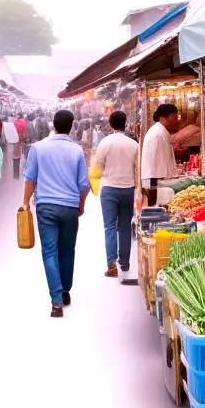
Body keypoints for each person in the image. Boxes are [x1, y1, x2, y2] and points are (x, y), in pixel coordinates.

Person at [22, 109, 90, 318]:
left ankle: (56, 301)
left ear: (53, 124)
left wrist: (25, 202)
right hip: (69, 207)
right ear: (71, 126)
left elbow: (30, 179)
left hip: (46, 207)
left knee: (49, 252)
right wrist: (80, 205)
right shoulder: (77, 151)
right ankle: (65, 290)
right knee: (68, 249)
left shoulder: (38, 148)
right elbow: (84, 185)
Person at [89, 110, 140, 280]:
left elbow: (98, 165)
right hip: (128, 189)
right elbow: (137, 169)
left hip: (109, 189)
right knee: (125, 226)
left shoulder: (105, 143)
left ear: (110, 124)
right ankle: (124, 262)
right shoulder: (134, 144)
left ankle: (111, 263)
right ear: (125, 124)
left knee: (109, 226)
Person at [141, 102, 180, 206]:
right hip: (157, 186)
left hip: (157, 185)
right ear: (164, 118)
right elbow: (159, 168)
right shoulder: (158, 134)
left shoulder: (161, 132)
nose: (177, 121)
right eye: (175, 118)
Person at [2, 114, 21, 179]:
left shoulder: (4, 127)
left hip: (8, 147)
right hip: (16, 147)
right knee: (16, 161)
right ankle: (16, 177)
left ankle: (9, 178)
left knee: (9, 163)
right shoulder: (13, 125)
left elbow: (3, 140)